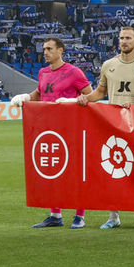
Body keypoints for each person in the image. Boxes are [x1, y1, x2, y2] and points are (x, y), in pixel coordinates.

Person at [15, 37, 94, 229]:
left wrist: (74, 102)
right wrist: (26, 97)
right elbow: (40, 94)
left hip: (72, 127)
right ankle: (55, 215)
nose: (46, 52)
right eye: (44, 49)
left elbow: (89, 94)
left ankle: (80, 216)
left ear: (61, 51)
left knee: (75, 172)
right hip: (50, 128)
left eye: (50, 48)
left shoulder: (74, 72)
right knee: (52, 170)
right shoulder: (42, 73)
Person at [78, 26, 134, 230]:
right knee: (113, 168)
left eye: (128, 38)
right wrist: (86, 98)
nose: (124, 41)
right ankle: (113, 216)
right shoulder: (108, 65)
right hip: (112, 124)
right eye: (121, 38)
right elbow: (101, 91)